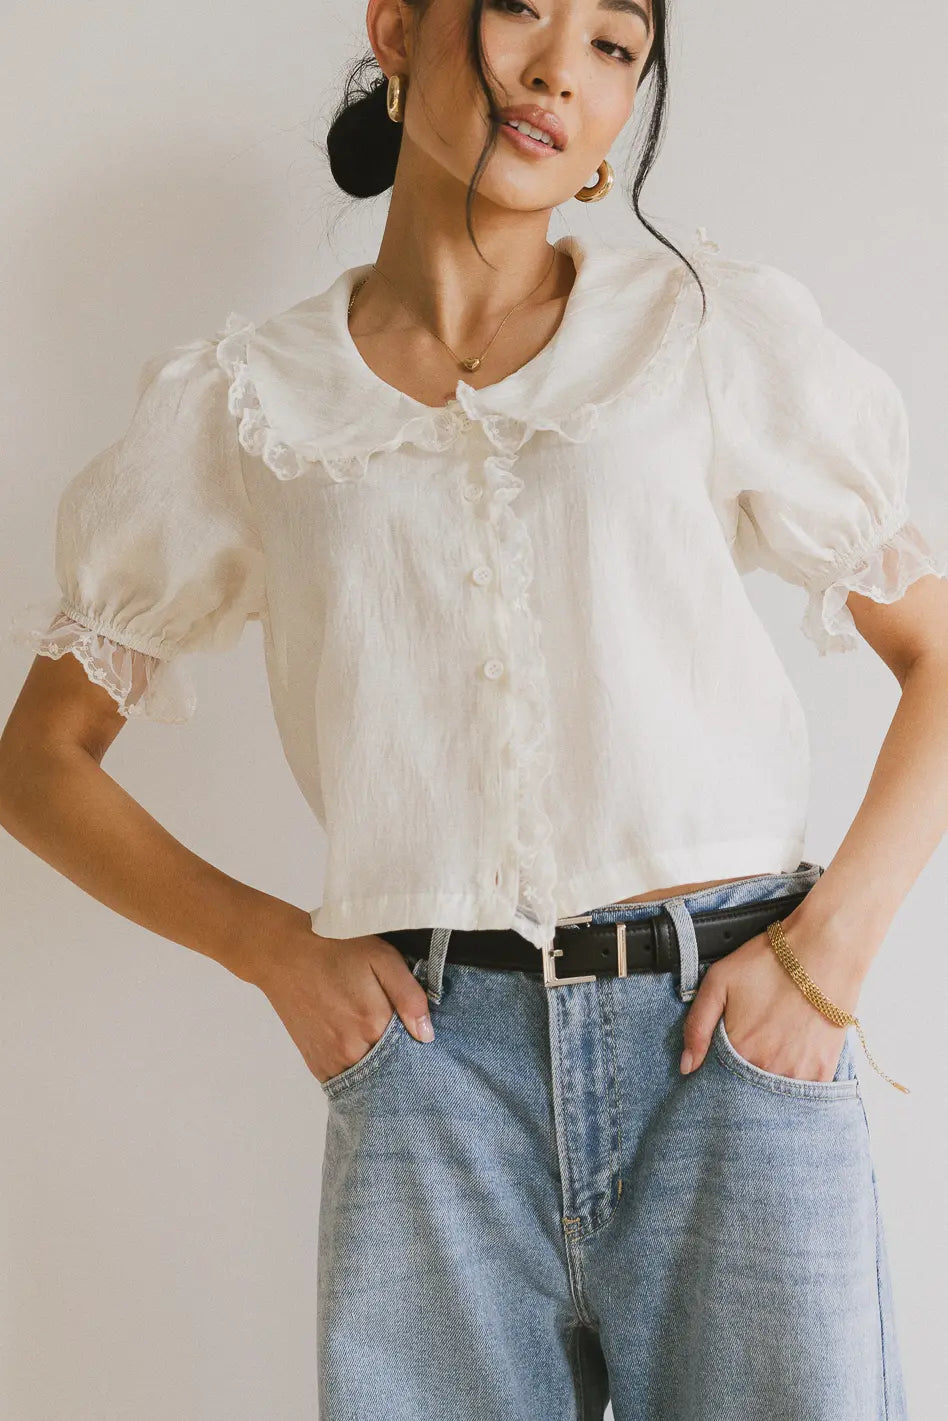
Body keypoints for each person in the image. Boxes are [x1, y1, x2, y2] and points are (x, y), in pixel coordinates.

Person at [2, 0, 947, 1416]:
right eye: (520, 7)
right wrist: (273, 948)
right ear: (397, 26)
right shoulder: (248, 402)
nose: (561, 67)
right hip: (432, 1079)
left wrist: (831, 958)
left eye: (615, 44)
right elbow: (39, 761)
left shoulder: (700, 331)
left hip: (730, 1052)